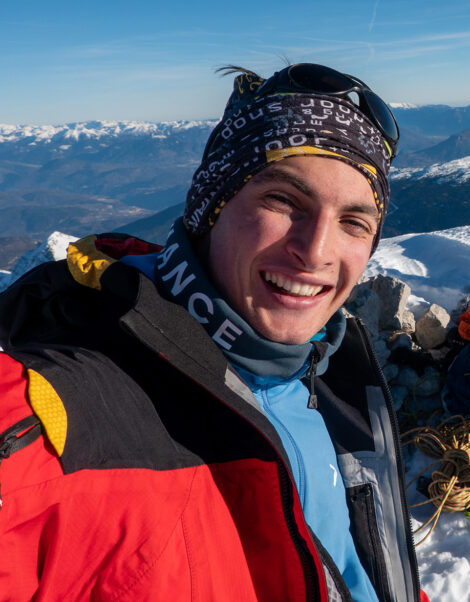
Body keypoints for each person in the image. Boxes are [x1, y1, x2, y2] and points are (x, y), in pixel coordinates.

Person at [0, 63, 426, 601]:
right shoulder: (53, 414)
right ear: (211, 209)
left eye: (354, 222)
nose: (317, 251)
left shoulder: (324, 379)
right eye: (283, 201)